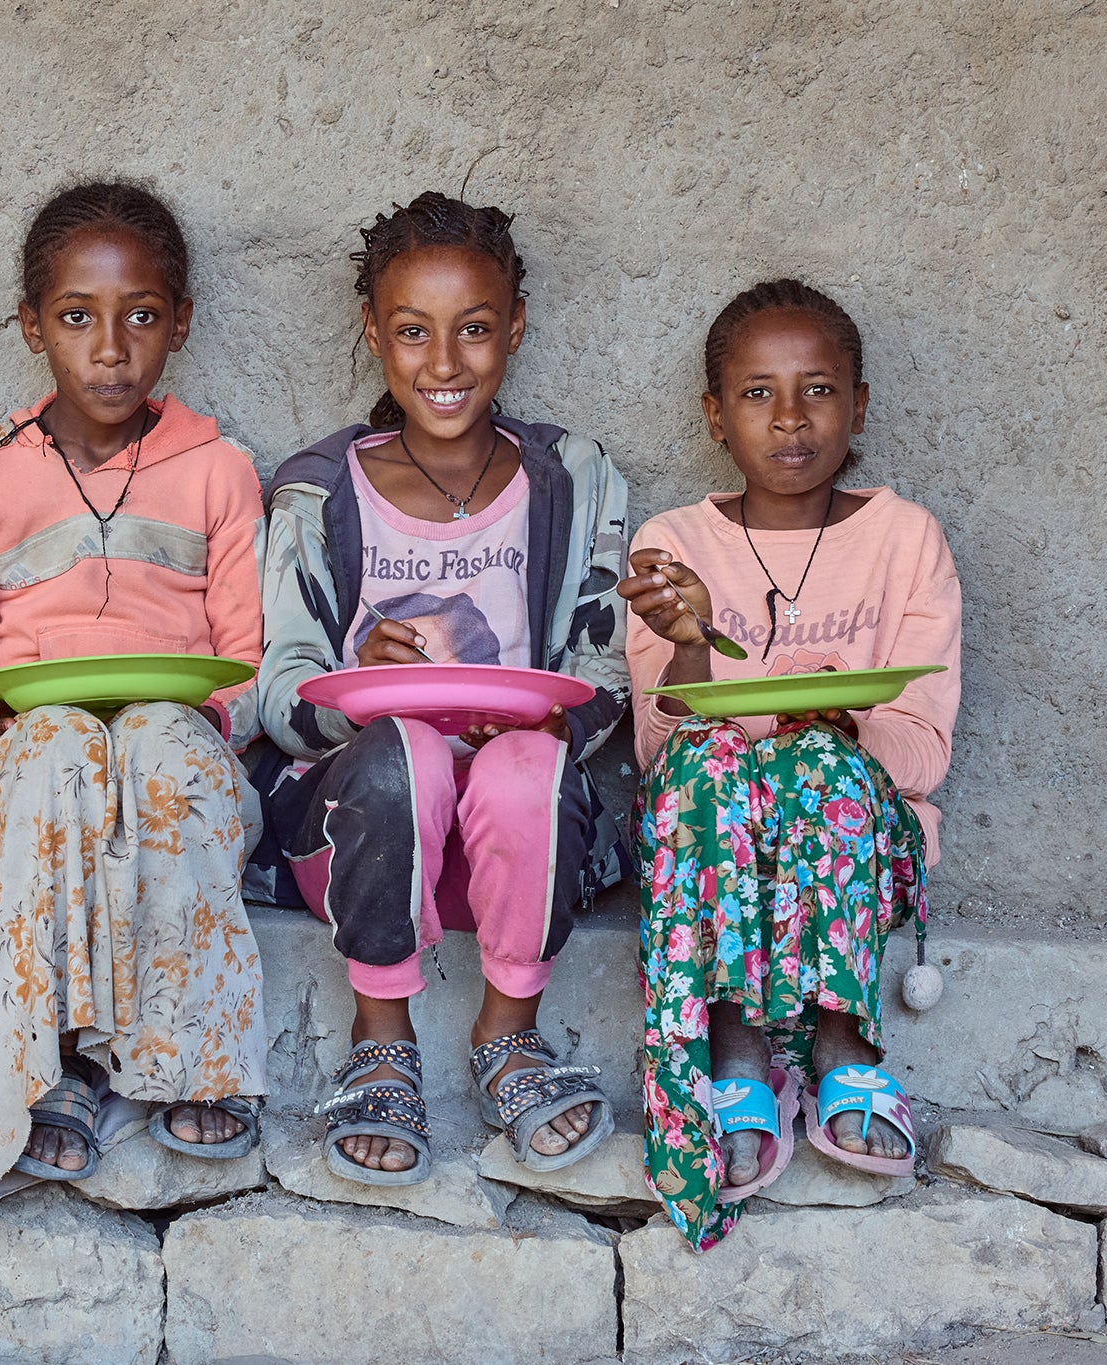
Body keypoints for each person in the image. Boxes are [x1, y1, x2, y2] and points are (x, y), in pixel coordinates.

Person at [0, 181, 268, 1227]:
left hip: (177, 780)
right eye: (76, 318)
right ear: (30, 327)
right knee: (60, 740)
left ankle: (193, 1060)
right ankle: (46, 1062)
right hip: (26, 783)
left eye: (140, 318)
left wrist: (210, 711)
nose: (110, 348)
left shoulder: (216, 469)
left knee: (157, 735)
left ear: (178, 326)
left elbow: (243, 659)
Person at [252, 191, 631, 1186]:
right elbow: (277, 693)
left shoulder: (572, 476)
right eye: (412, 333)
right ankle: (382, 1038)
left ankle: (509, 1036)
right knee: (401, 751)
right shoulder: (314, 488)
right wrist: (356, 685)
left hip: (517, 841)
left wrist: (546, 711)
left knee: (524, 764)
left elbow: (602, 676)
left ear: (513, 327)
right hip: (361, 832)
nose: (444, 363)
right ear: (374, 334)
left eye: (472, 331)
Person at [618, 278, 962, 1250]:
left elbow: (919, 748)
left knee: (815, 762)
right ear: (713, 415)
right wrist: (688, 640)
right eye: (757, 393)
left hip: (853, 828)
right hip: (711, 828)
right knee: (712, 768)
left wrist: (832, 728)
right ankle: (734, 1053)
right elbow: (661, 752)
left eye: (816, 390)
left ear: (857, 406)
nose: (790, 418)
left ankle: (841, 1046)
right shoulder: (674, 546)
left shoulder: (903, 539)